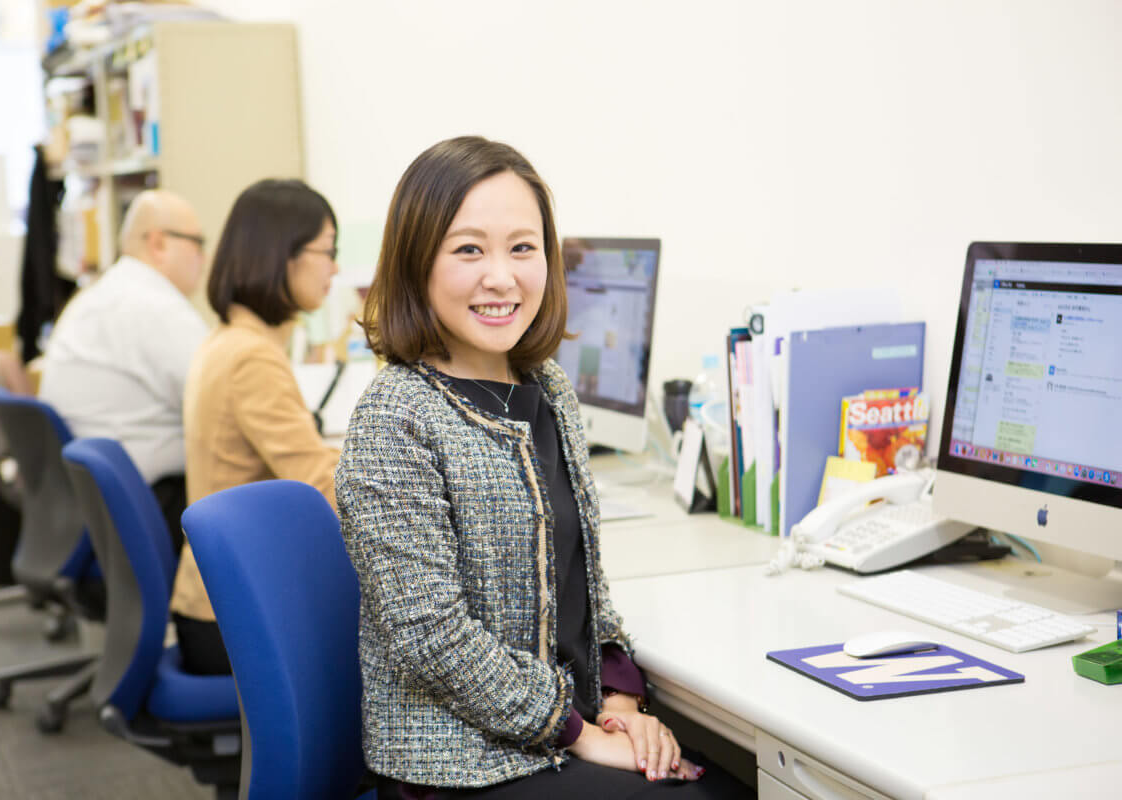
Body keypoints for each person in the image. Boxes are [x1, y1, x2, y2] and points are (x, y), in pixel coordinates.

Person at [337, 137, 749, 798]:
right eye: (469, 249)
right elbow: (431, 639)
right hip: (459, 763)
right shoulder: (396, 416)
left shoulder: (547, 388)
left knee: (730, 780)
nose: (501, 276)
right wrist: (580, 731)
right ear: (417, 262)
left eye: (522, 248)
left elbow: (584, 583)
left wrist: (620, 702)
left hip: (559, 729)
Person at [169, 178, 342, 676]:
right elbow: (321, 489)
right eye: (326, 251)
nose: (333, 267)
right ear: (281, 256)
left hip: (217, 601)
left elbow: (303, 462)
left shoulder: (228, 341)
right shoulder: (252, 360)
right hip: (231, 622)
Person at [39, 189, 208, 552]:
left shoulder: (101, 294)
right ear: (159, 244)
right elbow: (224, 403)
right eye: (197, 243)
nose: (204, 258)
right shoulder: (155, 306)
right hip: (149, 504)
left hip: (94, 502)